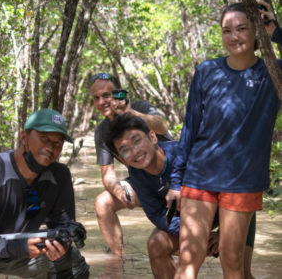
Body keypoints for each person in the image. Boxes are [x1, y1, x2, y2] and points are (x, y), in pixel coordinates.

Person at [169, 1, 282, 279]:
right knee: (188, 258)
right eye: (227, 30)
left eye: (242, 28)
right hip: (199, 176)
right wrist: (175, 181)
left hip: (243, 181)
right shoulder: (207, 71)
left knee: (232, 261)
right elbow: (190, 128)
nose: (234, 36)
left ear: (256, 31)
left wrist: (276, 31)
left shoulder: (273, 72)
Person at [105, 113, 256, 279]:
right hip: (191, 222)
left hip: (230, 212)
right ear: (122, 159)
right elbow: (157, 214)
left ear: (153, 137)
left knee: (240, 271)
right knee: (156, 245)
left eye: (137, 141)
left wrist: (222, 233)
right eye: (125, 150)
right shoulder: (136, 173)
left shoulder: (186, 154)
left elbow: (237, 192)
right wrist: (196, 235)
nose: (135, 152)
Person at [0, 108, 89, 278]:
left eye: (57, 143)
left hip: (26, 256)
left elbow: (63, 224)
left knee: (74, 264)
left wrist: (61, 247)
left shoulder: (59, 175)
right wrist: (19, 248)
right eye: (44, 138)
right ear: (24, 137)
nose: (50, 148)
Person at [89, 72, 172, 257]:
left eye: (107, 95)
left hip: (174, 177)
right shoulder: (102, 132)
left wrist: (130, 113)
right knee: (103, 202)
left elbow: (162, 126)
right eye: (96, 98)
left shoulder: (140, 107)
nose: (102, 102)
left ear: (119, 94)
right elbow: (107, 174)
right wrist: (118, 190)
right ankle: (119, 262)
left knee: (172, 238)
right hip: (144, 184)